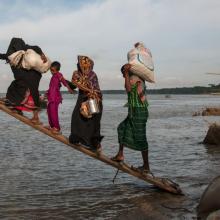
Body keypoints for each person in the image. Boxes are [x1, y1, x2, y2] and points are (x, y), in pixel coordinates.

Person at [111, 63, 150, 173]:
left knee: (141, 138)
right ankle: (120, 154)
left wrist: (127, 73)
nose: (123, 76)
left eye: (123, 73)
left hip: (139, 111)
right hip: (133, 111)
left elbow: (128, 89)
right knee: (122, 128)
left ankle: (146, 166)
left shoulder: (136, 79)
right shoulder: (134, 78)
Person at [0, 37, 47, 124]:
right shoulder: (24, 49)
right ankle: (22, 111)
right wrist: (42, 54)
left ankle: (31, 115)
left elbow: (5, 56)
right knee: (30, 94)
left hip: (26, 77)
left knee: (17, 90)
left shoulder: (14, 53)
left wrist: (42, 54)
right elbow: (36, 47)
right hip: (31, 77)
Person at [69, 55, 103, 151]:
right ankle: (85, 142)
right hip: (91, 98)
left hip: (93, 99)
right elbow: (76, 83)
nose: (78, 66)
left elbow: (78, 82)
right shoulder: (87, 74)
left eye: (79, 65)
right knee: (81, 119)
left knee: (91, 121)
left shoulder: (88, 74)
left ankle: (94, 145)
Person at [45, 61, 73, 134]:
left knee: (54, 113)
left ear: (57, 70)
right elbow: (51, 87)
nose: (52, 72)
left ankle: (57, 128)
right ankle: (52, 126)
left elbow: (64, 82)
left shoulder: (58, 74)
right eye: (51, 70)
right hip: (51, 97)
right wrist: (47, 93)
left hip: (55, 97)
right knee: (49, 111)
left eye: (53, 70)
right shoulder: (53, 77)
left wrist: (69, 88)